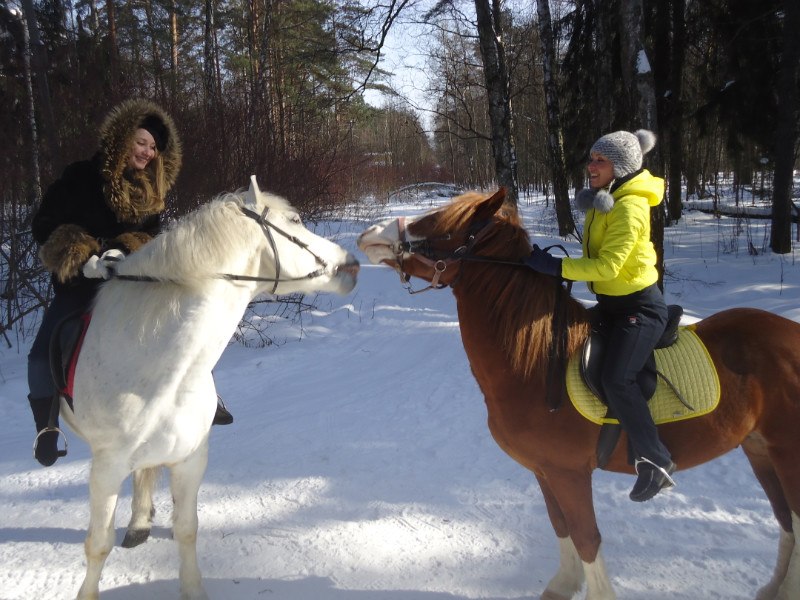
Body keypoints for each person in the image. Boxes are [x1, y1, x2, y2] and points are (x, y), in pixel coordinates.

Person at [28, 98, 232, 467]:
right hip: (81, 285)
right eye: (141, 143)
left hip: (130, 281)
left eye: (153, 147)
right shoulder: (79, 177)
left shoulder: (149, 189)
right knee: (42, 353)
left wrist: (127, 249)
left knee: (183, 324)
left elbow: (152, 233)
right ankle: (47, 428)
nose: (148, 152)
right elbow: (43, 224)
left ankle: (206, 397)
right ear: (121, 140)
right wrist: (83, 257)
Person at [524, 129, 675, 502]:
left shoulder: (630, 206)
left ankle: (656, 460)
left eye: (599, 161)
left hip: (639, 309)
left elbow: (607, 266)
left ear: (619, 167)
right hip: (611, 305)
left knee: (617, 378)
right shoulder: (607, 199)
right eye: (590, 158)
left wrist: (556, 268)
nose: (590, 166)